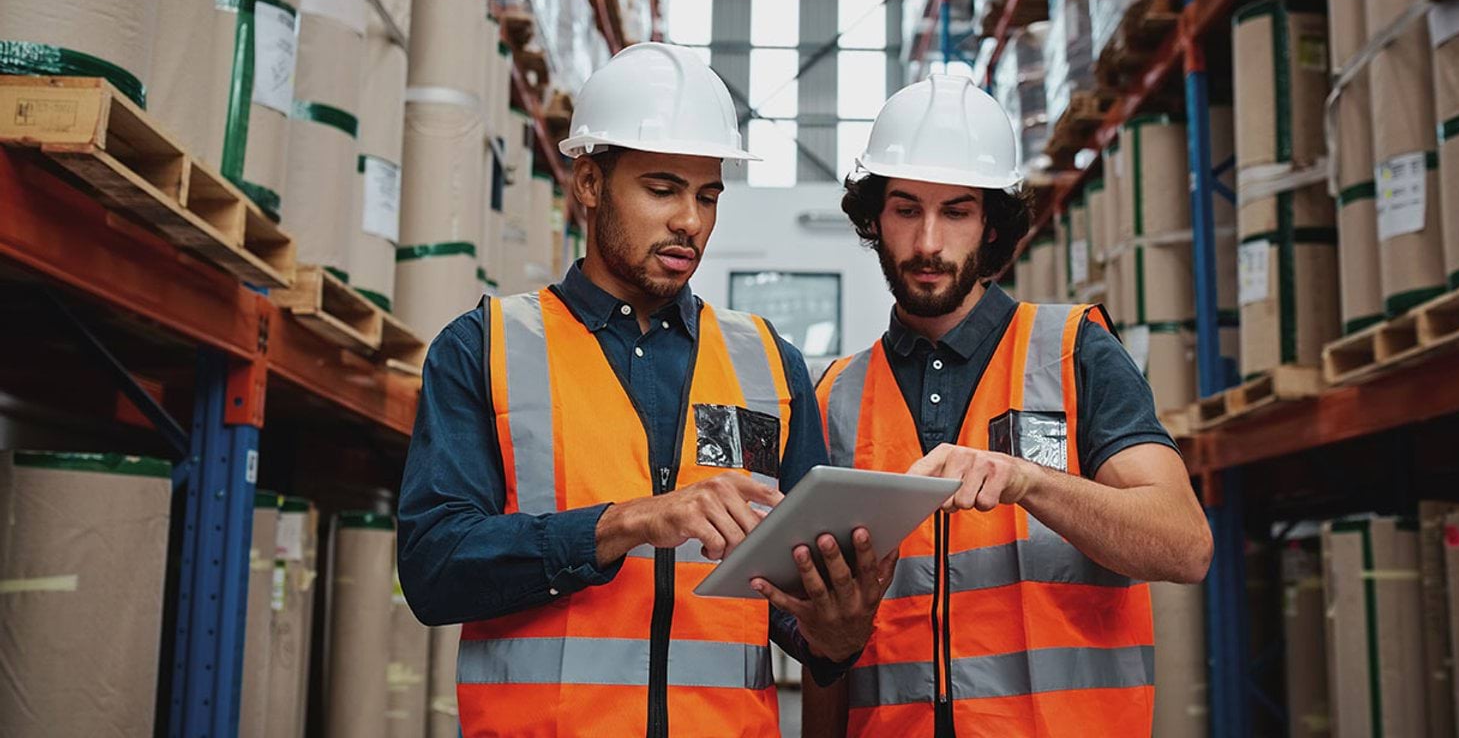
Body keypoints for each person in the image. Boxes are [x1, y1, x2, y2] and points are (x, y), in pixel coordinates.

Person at [396, 43, 892, 737]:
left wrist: (835, 630)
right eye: (663, 189)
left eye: (708, 195)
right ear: (590, 182)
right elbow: (434, 567)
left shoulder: (771, 367)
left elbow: (794, 611)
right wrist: (625, 523)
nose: (691, 219)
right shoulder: (485, 348)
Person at [802, 75, 1214, 737]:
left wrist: (1031, 480)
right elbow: (825, 646)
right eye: (906, 209)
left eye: (956, 211)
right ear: (874, 218)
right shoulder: (835, 396)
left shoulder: (1075, 350)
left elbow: (1184, 546)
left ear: (992, 224)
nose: (929, 242)